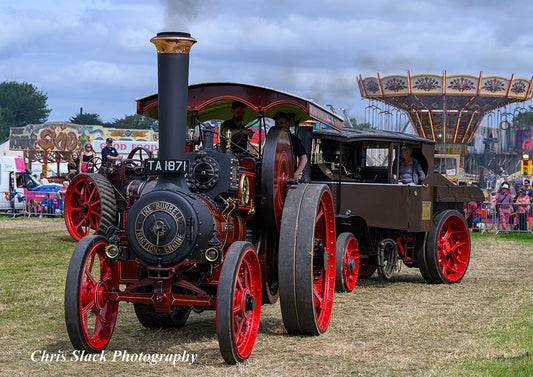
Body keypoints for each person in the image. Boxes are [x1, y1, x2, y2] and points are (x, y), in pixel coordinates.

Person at [273, 111, 308, 179]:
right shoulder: (272, 138)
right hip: (273, 176)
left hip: (288, 178)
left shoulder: (294, 139)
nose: (278, 125)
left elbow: (304, 158)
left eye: (281, 123)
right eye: (276, 123)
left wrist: (296, 174)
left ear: (287, 124)